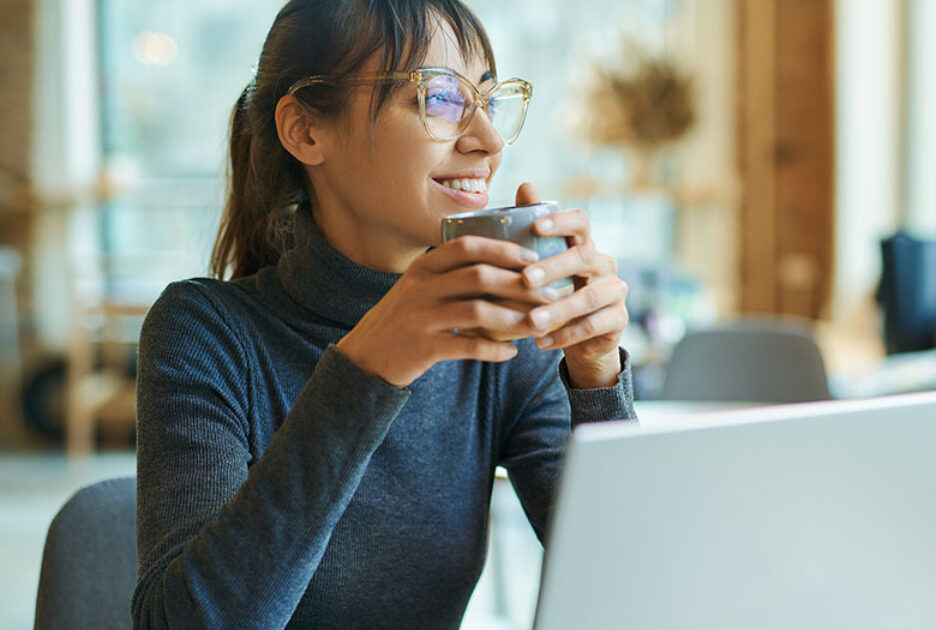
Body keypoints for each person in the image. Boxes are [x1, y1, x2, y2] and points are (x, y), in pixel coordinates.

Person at [132, 1, 636, 627]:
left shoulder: (502, 338)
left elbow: (636, 593)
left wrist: (597, 377)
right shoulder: (205, 332)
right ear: (306, 131)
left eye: (488, 101)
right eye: (440, 99)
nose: (489, 141)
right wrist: (369, 369)